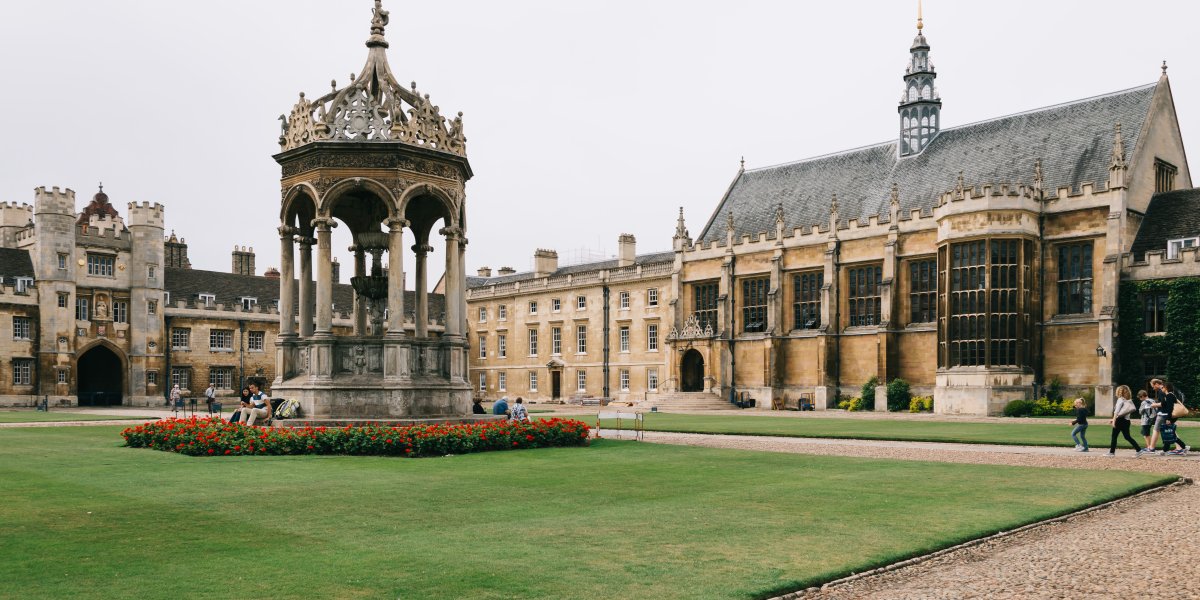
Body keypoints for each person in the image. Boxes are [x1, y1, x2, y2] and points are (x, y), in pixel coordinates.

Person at [1106, 385, 1141, 457]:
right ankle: (1139, 450)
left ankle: (1111, 453)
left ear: (1119, 392)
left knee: (1114, 436)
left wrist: (1114, 420)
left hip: (1120, 420)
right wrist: (1113, 419)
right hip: (1126, 421)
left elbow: (1117, 411)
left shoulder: (1120, 399)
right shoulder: (1129, 401)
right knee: (1127, 437)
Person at [1137, 390, 1157, 455]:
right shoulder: (1152, 400)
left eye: (1140, 397)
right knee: (1147, 433)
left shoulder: (1143, 402)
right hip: (1152, 419)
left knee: (1146, 434)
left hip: (1145, 420)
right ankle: (1151, 447)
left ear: (1142, 396)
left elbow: (1140, 412)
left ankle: (1149, 447)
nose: (1140, 399)